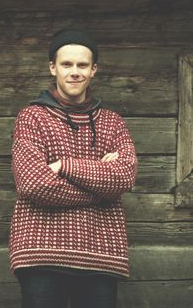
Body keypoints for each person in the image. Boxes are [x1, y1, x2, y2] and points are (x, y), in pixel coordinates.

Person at [9, 29, 137, 308]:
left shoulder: (113, 122)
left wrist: (64, 165)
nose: (75, 72)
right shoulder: (32, 118)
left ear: (94, 70)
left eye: (82, 65)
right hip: (41, 252)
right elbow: (34, 184)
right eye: (67, 64)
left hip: (101, 253)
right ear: (53, 68)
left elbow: (125, 175)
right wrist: (102, 189)